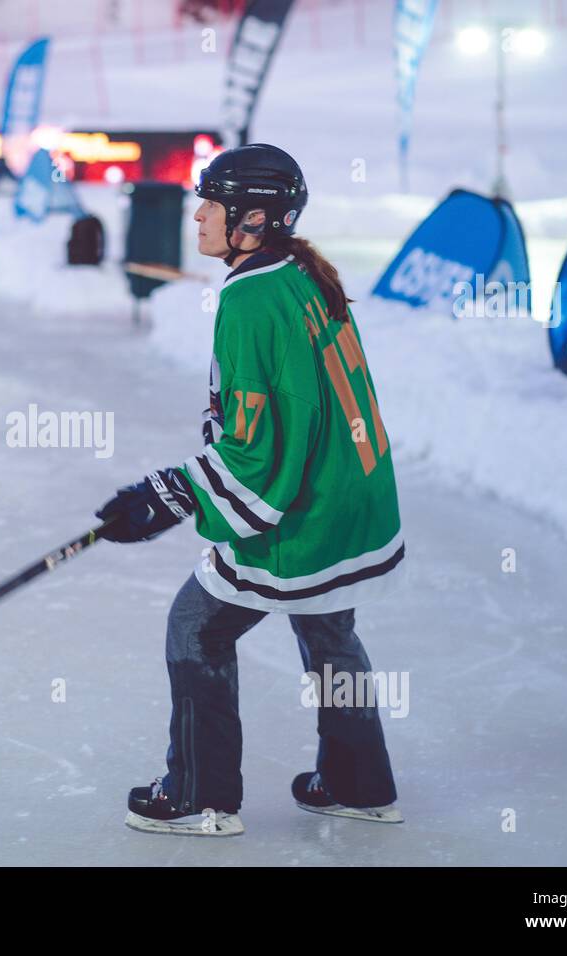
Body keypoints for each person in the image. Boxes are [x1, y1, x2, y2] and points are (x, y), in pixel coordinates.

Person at [95, 144, 407, 837]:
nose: (197, 214)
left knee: (196, 625)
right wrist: (177, 491)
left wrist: (170, 495)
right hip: (351, 496)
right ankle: (361, 783)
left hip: (306, 510)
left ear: (255, 219)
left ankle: (200, 796)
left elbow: (258, 453)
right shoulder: (297, 271)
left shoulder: (252, 298)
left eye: (213, 203)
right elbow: (294, 415)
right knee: (327, 628)